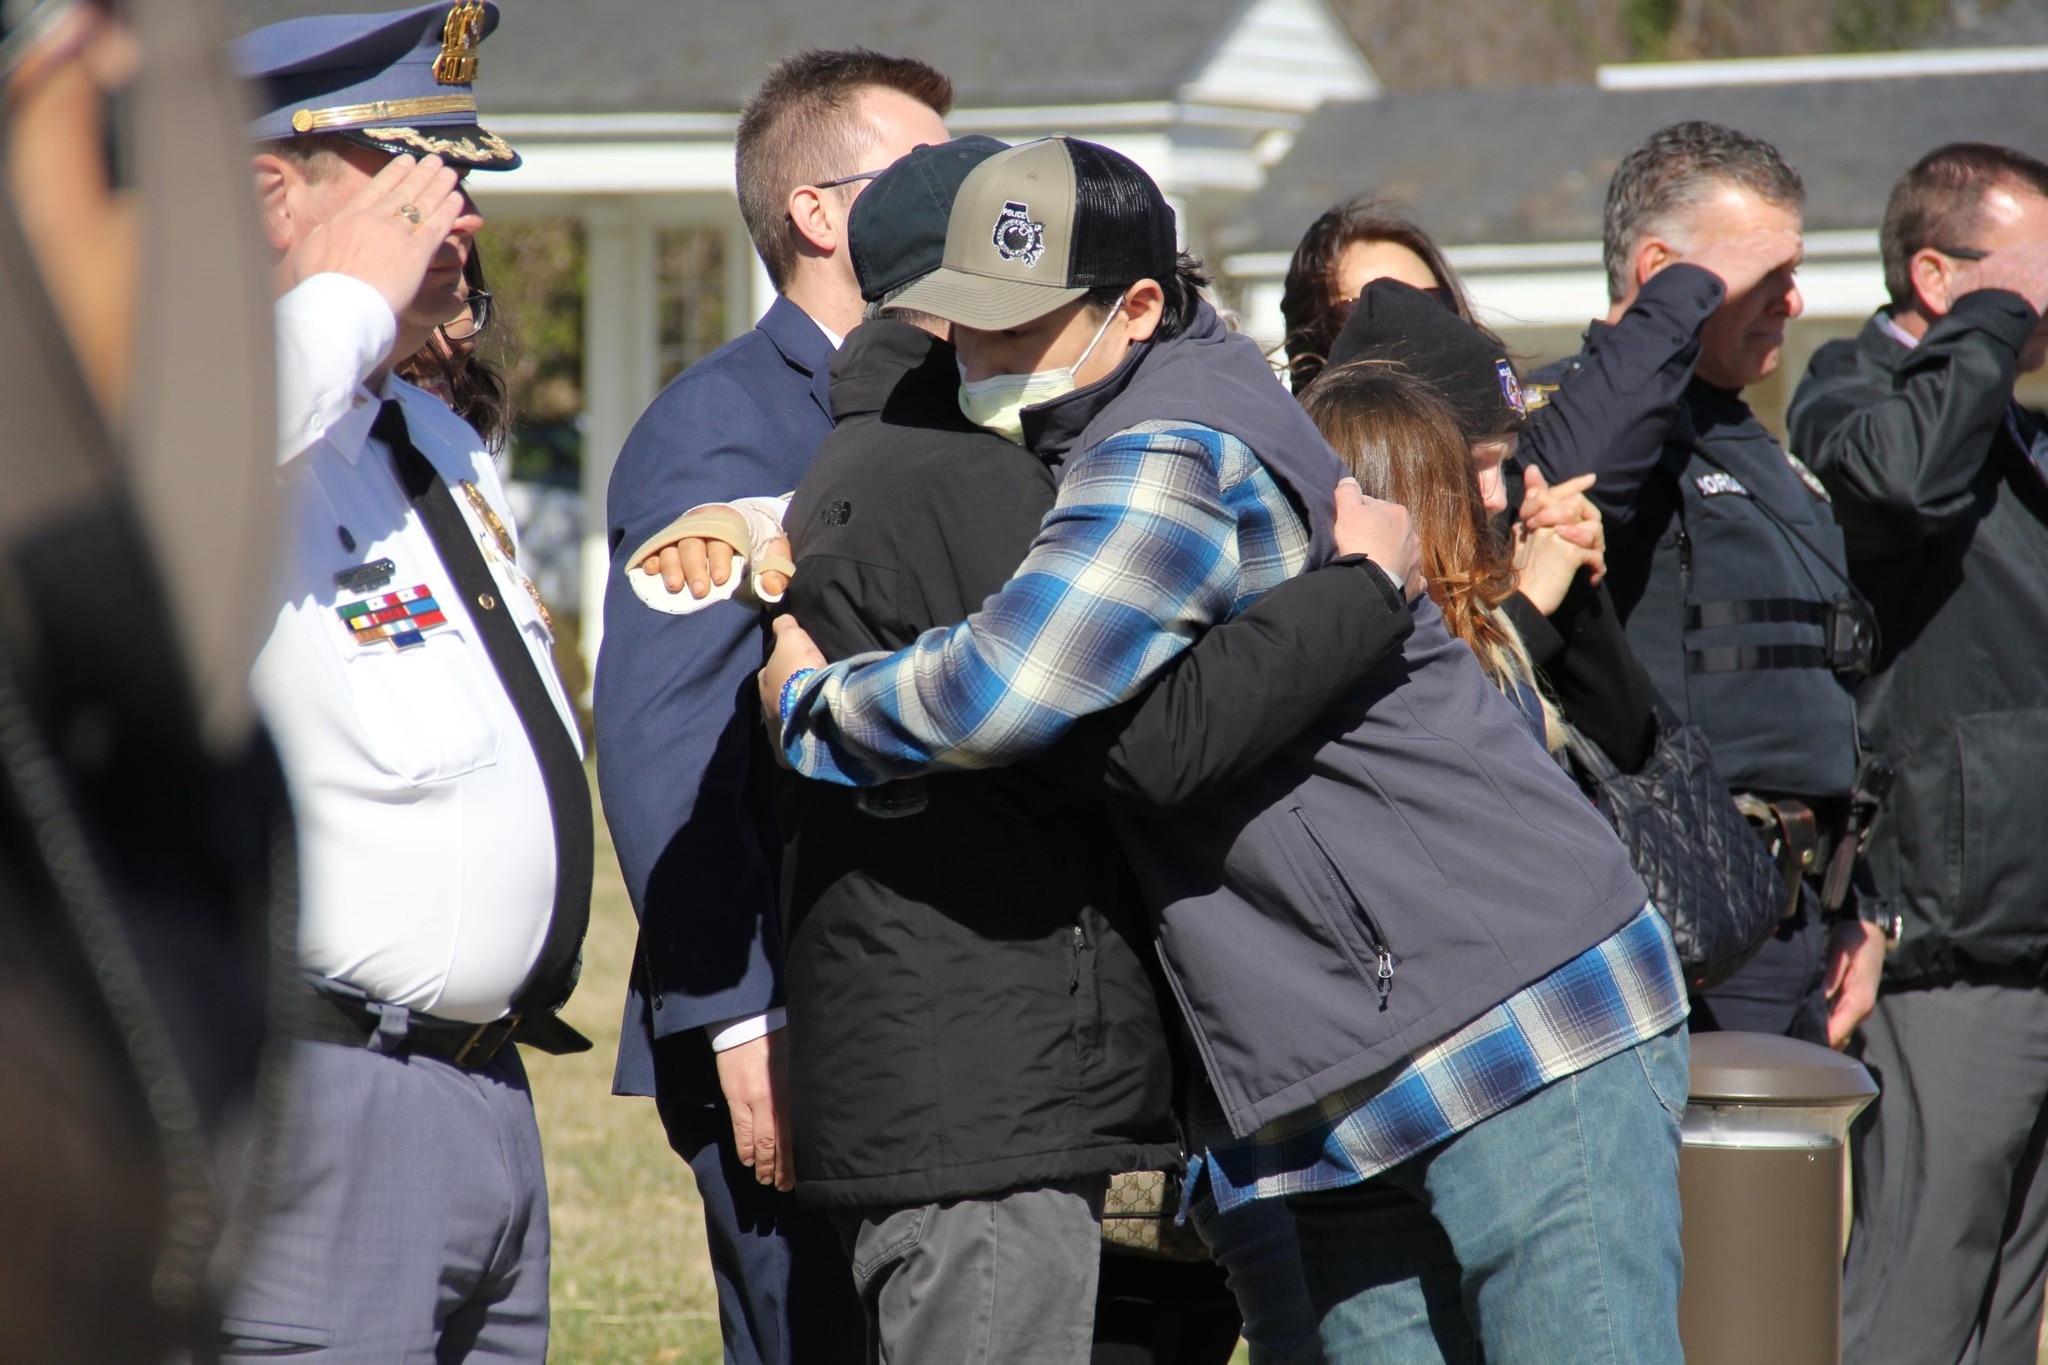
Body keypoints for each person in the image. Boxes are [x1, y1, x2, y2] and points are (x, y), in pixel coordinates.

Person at [762, 135, 1690, 1365]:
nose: (978, 359)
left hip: (1504, 1019)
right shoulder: (1113, 410)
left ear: (1137, 306)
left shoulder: (1169, 451)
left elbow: (1004, 688)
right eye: (964, 324)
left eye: (1016, 330)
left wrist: (811, 704)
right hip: (1346, 1051)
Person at [224, 6, 593, 1359]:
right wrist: (339, 299)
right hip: (317, 1099)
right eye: (417, 189)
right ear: (274, 193)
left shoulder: (416, 426)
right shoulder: (208, 405)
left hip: (481, 1096)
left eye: (468, 182)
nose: (466, 221)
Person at [591, 47, 950, 1365]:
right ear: (822, 211)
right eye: (929, 174)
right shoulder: (724, 427)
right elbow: (662, 743)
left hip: (936, 1010)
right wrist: (744, 1019)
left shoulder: (943, 405)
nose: (965, 199)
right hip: (799, 1024)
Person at [1526, 120, 1888, 1050]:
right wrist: (1680, 296)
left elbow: (1819, 690)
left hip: (1801, 916)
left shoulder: (1750, 440)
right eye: (1762, 275)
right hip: (1684, 908)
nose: (1795, 300)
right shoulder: (1593, 415)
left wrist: (1863, 901)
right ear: (1664, 273)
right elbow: (1576, 478)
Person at [1788, 141, 2048, 1365]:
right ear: (1937, 277)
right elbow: (1894, 489)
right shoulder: (1848, 395)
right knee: (1913, 1303)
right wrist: (1997, 316)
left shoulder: (2012, 431)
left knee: (2002, 1316)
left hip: (2032, 925)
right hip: (1950, 942)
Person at [1315, 279, 1658, 773]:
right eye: (1472, 462)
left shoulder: (1506, 532)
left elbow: (1629, 741)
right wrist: (1529, 607)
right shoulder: (1334, 604)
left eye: (1505, 462)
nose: (1496, 498)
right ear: (1398, 459)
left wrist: (1577, 577)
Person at [1277, 198, 1485, 391]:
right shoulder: (1279, 428)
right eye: (1370, 307)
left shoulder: (1508, 422)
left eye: (1430, 302)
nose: (1413, 325)